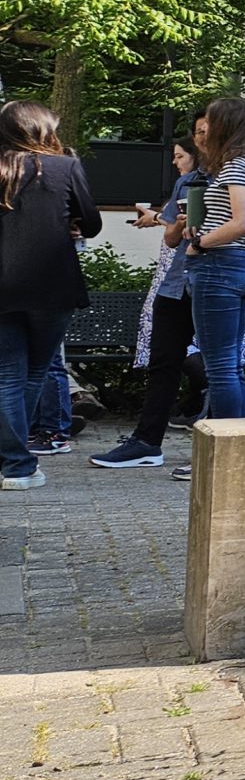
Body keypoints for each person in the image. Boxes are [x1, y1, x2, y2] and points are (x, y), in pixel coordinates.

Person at [0, 101, 102, 489]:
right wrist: (71, 225)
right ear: (42, 130)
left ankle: (15, 464)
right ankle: (18, 466)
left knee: (8, 377)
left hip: (3, 287)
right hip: (52, 286)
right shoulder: (64, 167)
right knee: (34, 373)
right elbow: (90, 223)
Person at [88, 135, 205, 470]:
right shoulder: (187, 182)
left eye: (206, 133)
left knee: (223, 369)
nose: (175, 160)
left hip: (213, 282)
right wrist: (175, 225)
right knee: (162, 363)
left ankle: (225, 448)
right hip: (175, 284)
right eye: (198, 132)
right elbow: (171, 237)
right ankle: (146, 443)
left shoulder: (239, 175)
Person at [184, 99, 245, 442]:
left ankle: (226, 448)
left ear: (225, 125)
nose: (205, 128)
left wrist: (201, 242)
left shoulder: (235, 167)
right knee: (232, 365)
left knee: (220, 367)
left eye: (210, 121)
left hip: (218, 267)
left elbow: (242, 223)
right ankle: (241, 443)